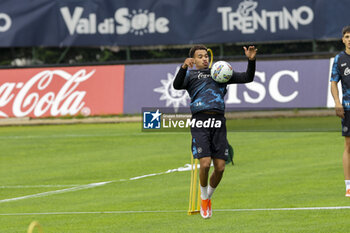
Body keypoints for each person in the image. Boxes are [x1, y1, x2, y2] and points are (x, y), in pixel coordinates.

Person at [173, 44, 257, 218]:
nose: (204, 59)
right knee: (204, 164)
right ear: (193, 60)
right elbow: (176, 85)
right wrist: (183, 67)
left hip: (219, 121)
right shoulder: (190, 75)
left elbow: (248, 77)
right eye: (200, 56)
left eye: (206, 56)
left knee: (220, 168)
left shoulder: (220, 72)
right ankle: (204, 198)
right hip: (200, 120)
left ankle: (208, 197)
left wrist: (251, 60)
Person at [331, 25, 350, 197]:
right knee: (348, 146)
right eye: (347, 36)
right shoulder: (339, 59)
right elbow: (333, 83)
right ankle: (348, 186)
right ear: (343, 39)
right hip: (348, 108)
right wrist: (337, 102)